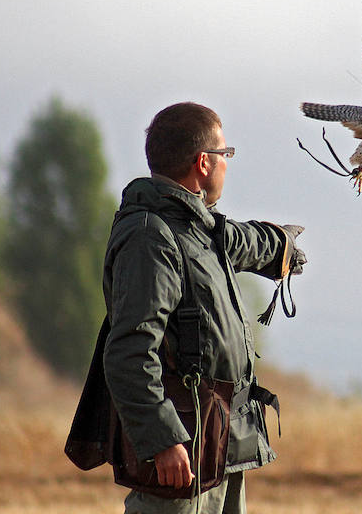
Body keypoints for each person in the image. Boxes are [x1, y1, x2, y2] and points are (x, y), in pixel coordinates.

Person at [73, 102, 306, 514]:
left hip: (217, 444)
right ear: (203, 163)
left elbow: (239, 241)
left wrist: (280, 247)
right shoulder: (151, 238)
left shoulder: (195, 227)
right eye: (225, 155)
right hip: (182, 450)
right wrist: (162, 439)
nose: (227, 164)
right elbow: (129, 352)